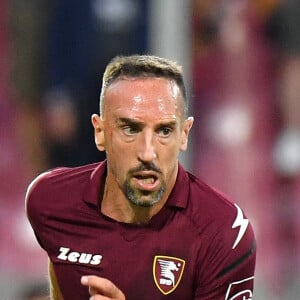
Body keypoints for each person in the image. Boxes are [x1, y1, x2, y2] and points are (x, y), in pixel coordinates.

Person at [25, 55, 256, 299]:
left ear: (184, 134)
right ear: (100, 132)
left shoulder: (223, 231)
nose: (148, 153)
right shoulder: (50, 201)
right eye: (130, 129)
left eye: (164, 131)